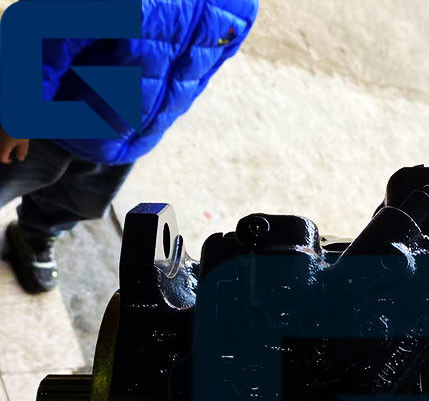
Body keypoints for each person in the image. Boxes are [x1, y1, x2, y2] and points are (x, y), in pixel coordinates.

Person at [0, 0, 258, 293]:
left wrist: (155, 123)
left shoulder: (241, 7)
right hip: (49, 124)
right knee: (8, 178)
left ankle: (35, 234)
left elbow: (204, 72)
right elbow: (35, 28)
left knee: (76, 203)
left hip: (122, 139)